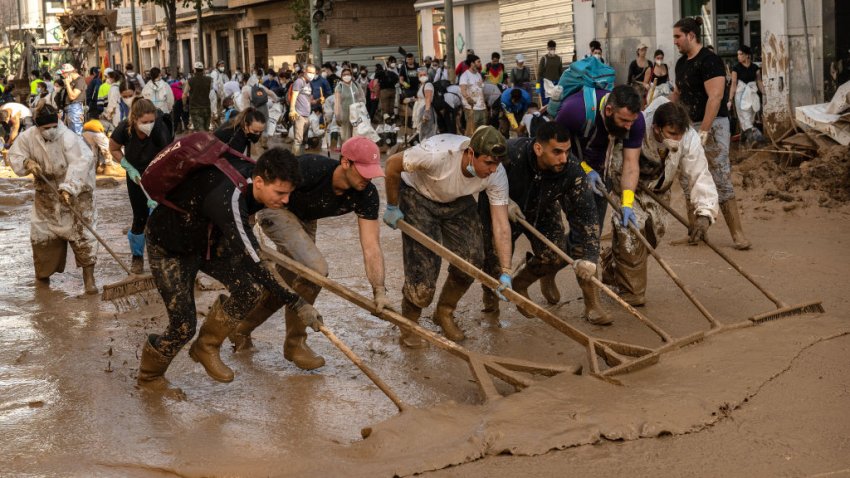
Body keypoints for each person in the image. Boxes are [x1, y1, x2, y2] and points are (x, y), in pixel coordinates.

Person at [137, 147, 323, 394]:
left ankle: (207, 345)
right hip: (171, 247)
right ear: (259, 181)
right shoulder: (230, 197)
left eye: (288, 194)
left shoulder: (254, 183)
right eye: (280, 193)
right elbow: (255, 261)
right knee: (183, 325)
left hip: (208, 242)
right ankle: (149, 378)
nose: (286, 200)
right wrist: (298, 303)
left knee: (250, 289)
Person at [229, 137, 388, 369]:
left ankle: (241, 328)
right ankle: (296, 343)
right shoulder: (310, 168)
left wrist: (379, 290)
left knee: (287, 282)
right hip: (275, 209)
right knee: (316, 270)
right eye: (363, 171)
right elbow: (261, 190)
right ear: (345, 162)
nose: (368, 178)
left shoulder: (367, 194)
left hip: (305, 220)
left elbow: (371, 245)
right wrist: (246, 229)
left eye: (372, 172)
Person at [382, 126, 514, 345]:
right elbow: (392, 164)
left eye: (497, 164)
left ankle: (444, 311)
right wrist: (392, 205)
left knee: (472, 260)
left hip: (457, 200)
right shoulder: (437, 154)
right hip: (418, 194)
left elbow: (500, 224)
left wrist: (506, 271)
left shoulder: (496, 174)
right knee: (423, 273)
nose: (492, 169)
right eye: (488, 163)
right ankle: (409, 324)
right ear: (471, 153)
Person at [479, 121, 610, 324]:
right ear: (538, 148)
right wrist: (505, 202)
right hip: (501, 207)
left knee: (554, 254)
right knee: (493, 260)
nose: (563, 158)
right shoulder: (511, 154)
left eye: (567, 152)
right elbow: (479, 176)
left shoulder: (571, 169)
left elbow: (586, 216)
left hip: (543, 206)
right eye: (557, 152)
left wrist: (591, 259)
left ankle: (521, 282)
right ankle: (491, 306)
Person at [601, 98, 718, 306]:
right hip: (629, 189)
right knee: (631, 234)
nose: (676, 139)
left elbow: (700, 173)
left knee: (651, 239)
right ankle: (633, 292)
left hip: (659, 190)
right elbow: (617, 161)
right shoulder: (637, 127)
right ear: (656, 128)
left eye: (679, 135)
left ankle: (612, 266)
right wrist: (624, 187)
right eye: (671, 134)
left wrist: (704, 213)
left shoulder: (688, 137)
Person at [671, 17, 751, 250]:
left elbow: (715, 98)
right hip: (687, 126)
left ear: (691, 36)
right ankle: (695, 232)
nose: (674, 41)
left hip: (713, 125)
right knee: (687, 178)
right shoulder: (680, 63)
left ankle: (737, 234)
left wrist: (704, 131)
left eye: (678, 36)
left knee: (720, 176)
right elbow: (677, 95)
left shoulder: (710, 60)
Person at [7, 105, 98, 294]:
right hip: (46, 195)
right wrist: (27, 162)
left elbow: (82, 162)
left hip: (77, 193)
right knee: (42, 237)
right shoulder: (28, 137)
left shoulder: (69, 138)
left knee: (83, 235)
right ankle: (42, 279)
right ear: (37, 127)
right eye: (45, 128)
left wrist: (68, 189)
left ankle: (89, 281)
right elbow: (15, 154)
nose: (51, 131)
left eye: (53, 126)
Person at [108, 99, 171, 274]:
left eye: (151, 121)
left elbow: (168, 156)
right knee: (140, 218)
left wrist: (159, 180)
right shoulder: (124, 129)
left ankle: (162, 257)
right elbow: (113, 148)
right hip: (135, 176)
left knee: (161, 217)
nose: (148, 125)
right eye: (144, 122)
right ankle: (137, 257)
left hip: (158, 174)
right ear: (134, 120)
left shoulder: (159, 129)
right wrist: (127, 166)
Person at [728, 45, 765, 145]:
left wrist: (764, 93)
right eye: (738, 54)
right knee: (744, 118)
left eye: (741, 54)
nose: (738, 56)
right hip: (740, 96)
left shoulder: (755, 68)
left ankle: (742, 140)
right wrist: (730, 100)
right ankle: (753, 141)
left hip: (752, 96)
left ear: (747, 55)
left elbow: (759, 81)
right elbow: (733, 84)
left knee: (750, 119)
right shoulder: (736, 68)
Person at [141, 67, 175, 138]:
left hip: (150, 113)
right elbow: (170, 99)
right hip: (164, 113)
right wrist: (169, 109)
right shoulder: (165, 85)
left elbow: (143, 100)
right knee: (165, 132)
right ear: (159, 74)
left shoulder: (146, 87)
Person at [289, 64, 315, 155]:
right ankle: (294, 159)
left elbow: (309, 100)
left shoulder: (309, 84)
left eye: (313, 73)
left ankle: (302, 158)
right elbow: (294, 96)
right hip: (299, 114)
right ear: (305, 71)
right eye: (310, 72)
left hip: (307, 115)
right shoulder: (299, 81)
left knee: (304, 140)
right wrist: (292, 110)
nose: (311, 74)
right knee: (298, 139)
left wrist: (319, 100)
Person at [334, 67, 364, 145]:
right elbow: (337, 103)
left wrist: (362, 108)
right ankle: (346, 155)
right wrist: (337, 116)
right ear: (341, 76)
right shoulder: (339, 87)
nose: (346, 76)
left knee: (357, 136)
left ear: (351, 75)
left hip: (357, 116)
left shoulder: (356, 85)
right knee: (346, 138)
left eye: (348, 74)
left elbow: (362, 97)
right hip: (345, 116)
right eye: (344, 75)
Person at [459, 55, 487, 137]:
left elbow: (481, 90)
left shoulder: (478, 74)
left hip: (481, 107)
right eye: (478, 62)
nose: (480, 63)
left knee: (481, 131)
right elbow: (463, 90)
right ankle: (467, 149)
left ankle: (478, 149)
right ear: (472, 63)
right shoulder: (465, 75)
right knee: (471, 133)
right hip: (471, 108)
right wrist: (468, 98)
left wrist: (485, 106)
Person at [184, 61, 213, 132]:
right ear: (203, 70)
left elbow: (184, 95)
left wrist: (184, 104)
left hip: (195, 108)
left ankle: (203, 142)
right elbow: (211, 93)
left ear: (194, 70)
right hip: (206, 107)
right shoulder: (209, 80)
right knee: (206, 129)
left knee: (200, 131)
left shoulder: (190, 80)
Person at [59, 64, 87, 135]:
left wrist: (67, 84)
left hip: (75, 108)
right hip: (68, 109)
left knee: (76, 133)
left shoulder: (80, 81)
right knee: (69, 134)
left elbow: (72, 96)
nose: (62, 76)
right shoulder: (71, 81)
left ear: (69, 73)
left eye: (63, 74)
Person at [412, 67, 437, 141]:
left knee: (427, 130)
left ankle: (427, 146)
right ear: (418, 76)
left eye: (424, 74)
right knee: (422, 129)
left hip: (425, 109)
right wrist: (412, 99)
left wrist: (427, 112)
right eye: (421, 75)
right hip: (421, 108)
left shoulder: (428, 85)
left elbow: (428, 98)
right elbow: (421, 98)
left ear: (427, 75)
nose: (423, 76)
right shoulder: (422, 85)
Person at [538, 40, 564, 105]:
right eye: (551, 48)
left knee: (556, 101)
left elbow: (561, 72)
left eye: (553, 48)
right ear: (548, 48)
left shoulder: (559, 59)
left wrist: (562, 83)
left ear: (555, 48)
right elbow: (539, 73)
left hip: (556, 83)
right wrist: (537, 86)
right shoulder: (544, 58)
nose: (552, 50)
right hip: (546, 84)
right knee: (546, 102)